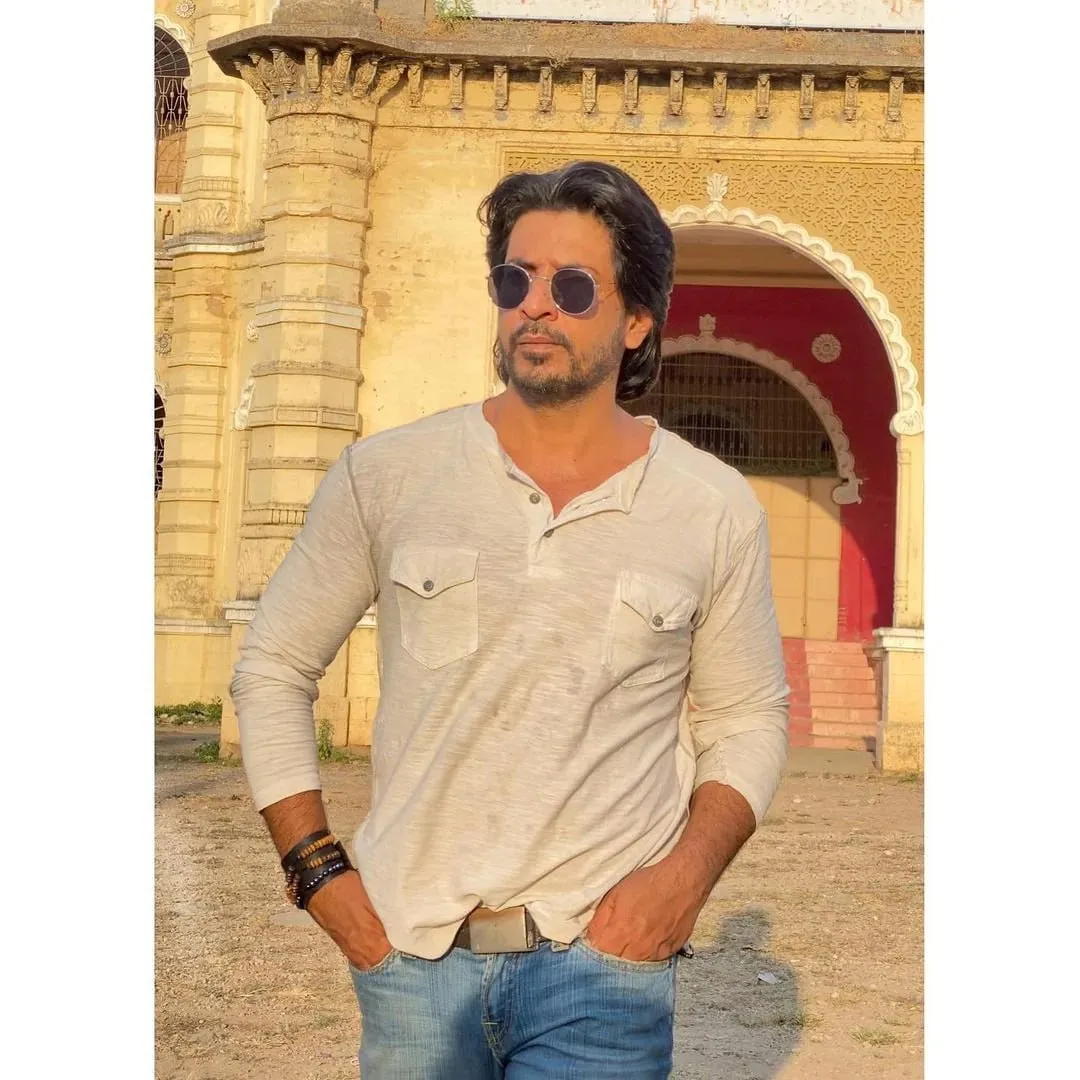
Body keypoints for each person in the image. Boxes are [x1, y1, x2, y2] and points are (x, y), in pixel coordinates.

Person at [231, 160, 789, 1079]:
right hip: (411, 963)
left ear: (636, 320)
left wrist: (679, 886)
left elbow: (749, 717)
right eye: (514, 279)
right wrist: (319, 875)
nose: (535, 306)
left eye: (573, 288)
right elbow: (273, 667)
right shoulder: (390, 476)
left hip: (603, 972)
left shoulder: (709, 506)